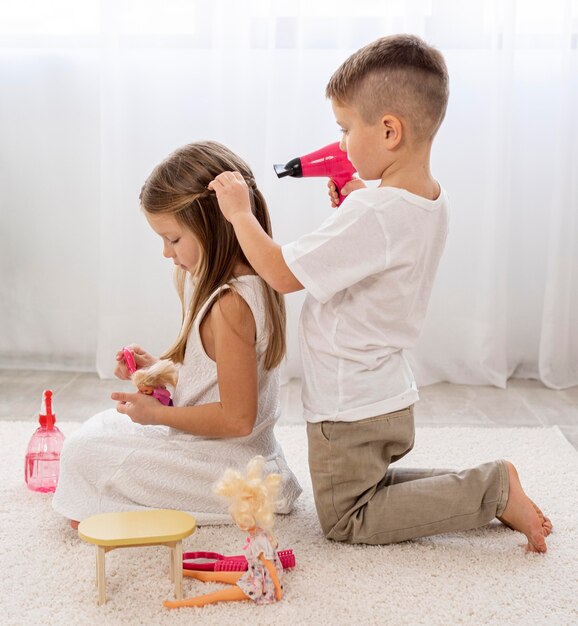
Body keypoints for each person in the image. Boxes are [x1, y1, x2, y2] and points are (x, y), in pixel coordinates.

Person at [208, 34, 552, 552]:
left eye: (345, 128)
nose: (341, 143)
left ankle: (492, 490)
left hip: (350, 402)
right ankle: (490, 485)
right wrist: (357, 203)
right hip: (380, 390)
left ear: (389, 130)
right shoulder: (427, 201)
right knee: (371, 494)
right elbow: (382, 249)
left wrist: (239, 214)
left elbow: (280, 272)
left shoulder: (373, 214)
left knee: (349, 519)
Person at [52, 141, 302, 526]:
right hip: (234, 455)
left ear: (212, 225)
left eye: (173, 239)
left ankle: (114, 504)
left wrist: (158, 417)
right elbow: (216, 379)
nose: (167, 253)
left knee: (86, 454)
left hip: (230, 466)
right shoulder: (250, 282)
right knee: (101, 429)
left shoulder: (231, 304)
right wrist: (156, 368)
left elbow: (237, 419)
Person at [164, 455, 284, 609]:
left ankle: (178, 604)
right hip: (254, 575)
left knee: (216, 596)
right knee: (213, 576)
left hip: (260, 587)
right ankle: (184, 571)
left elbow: (272, 570)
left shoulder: (260, 542)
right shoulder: (260, 533)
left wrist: (278, 592)